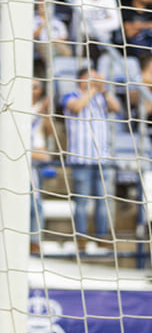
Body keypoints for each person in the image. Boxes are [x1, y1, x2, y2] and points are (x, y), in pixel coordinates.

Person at [62, 66, 121, 250]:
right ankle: (81, 237)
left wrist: (103, 90)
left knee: (104, 200)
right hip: (81, 159)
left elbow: (116, 108)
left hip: (101, 158)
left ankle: (102, 236)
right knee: (81, 202)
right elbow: (77, 107)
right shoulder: (70, 96)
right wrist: (93, 89)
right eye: (90, 78)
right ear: (81, 80)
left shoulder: (101, 98)